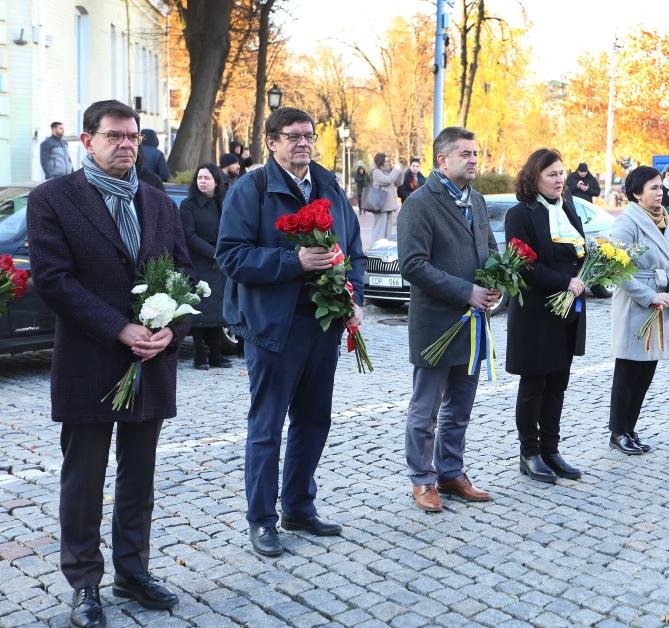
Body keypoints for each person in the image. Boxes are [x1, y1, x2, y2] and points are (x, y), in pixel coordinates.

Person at [27, 100, 187, 627]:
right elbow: (53, 279)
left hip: (151, 364)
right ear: (86, 140)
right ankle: (84, 583)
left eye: (133, 137)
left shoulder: (160, 202)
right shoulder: (53, 198)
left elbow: (186, 277)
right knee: (84, 480)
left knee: (139, 478)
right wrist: (118, 326)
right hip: (90, 360)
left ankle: (132, 570)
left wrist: (170, 330)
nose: (126, 145)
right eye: (115, 136)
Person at [216, 106, 366, 557]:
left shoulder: (329, 186)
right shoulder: (252, 189)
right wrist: (292, 262)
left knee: (314, 419)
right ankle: (262, 520)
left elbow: (354, 251)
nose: (303, 142)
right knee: (267, 426)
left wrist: (353, 299)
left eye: (308, 135)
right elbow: (231, 257)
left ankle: (299, 506)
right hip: (272, 326)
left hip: (322, 324)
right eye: (292, 136)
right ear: (272, 141)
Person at [397, 126, 497, 512]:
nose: (474, 160)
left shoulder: (479, 201)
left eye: (475, 154)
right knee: (426, 410)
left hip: (475, 323)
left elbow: (489, 249)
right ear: (443, 160)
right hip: (438, 323)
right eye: (465, 154)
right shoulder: (420, 203)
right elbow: (412, 264)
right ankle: (422, 480)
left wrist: (494, 283)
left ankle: (451, 472)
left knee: (460, 407)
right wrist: (465, 291)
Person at [503, 149, 588, 482]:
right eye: (552, 174)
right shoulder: (520, 214)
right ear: (534, 176)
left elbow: (578, 251)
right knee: (534, 385)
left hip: (567, 313)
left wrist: (590, 271)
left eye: (561, 173)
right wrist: (566, 280)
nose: (559, 179)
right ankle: (530, 453)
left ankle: (551, 450)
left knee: (558, 384)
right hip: (537, 313)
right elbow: (524, 265)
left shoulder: (568, 208)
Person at [607, 166, 669, 454]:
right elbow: (616, 269)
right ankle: (618, 431)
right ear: (637, 194)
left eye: (661, 187)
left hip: (660, 301)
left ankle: (631, 427)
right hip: (637, 304)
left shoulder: (666, 220)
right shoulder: (628, 222)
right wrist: (649, 296)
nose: (659, 192)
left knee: (647, 370)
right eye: (653, 188)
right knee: (628, 371)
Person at [179, 164, 231, 371]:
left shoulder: (223, 203)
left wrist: (224, 251)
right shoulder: (188, 204)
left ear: (216, 181)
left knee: (218, 312)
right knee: (200, 311)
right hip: (199, 261)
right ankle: (200, 355)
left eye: (206, 178)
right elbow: (188, 234)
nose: (202, 181)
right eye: (199, 177)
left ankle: (216, 355)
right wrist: (213, 252)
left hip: (221, 262)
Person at [370, 152, 404, 241]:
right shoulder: (376, 172)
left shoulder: (389, 171)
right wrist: (396, 170)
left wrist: (400, 170)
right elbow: (388, 180)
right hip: (380, 205)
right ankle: (375, 248)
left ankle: (385, 248)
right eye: (385, 161)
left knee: (388, 230)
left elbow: (399, 183)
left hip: (389, 205)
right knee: (379, 229)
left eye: (387, 161)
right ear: (380, 162)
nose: (387, 163)